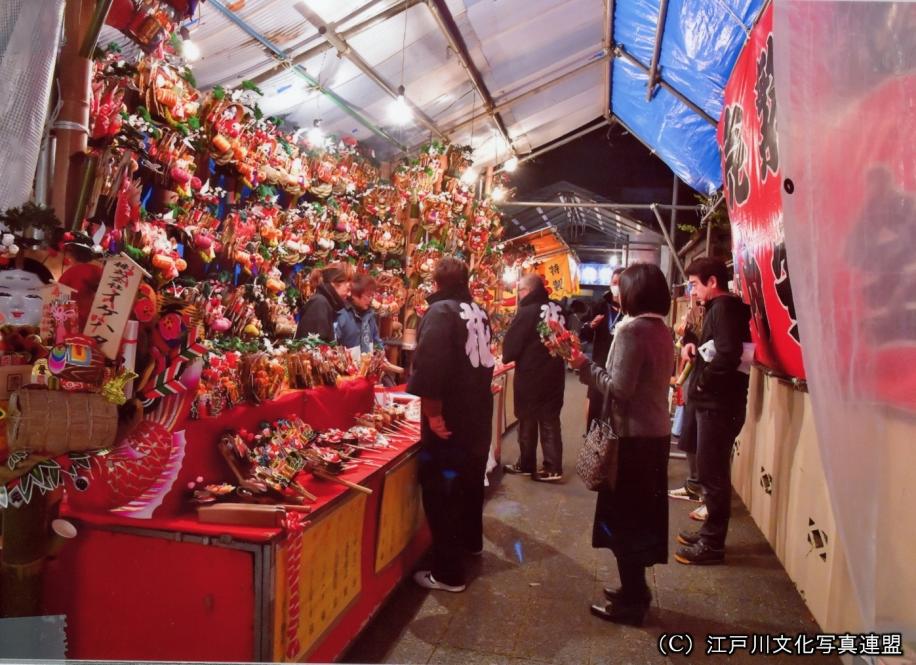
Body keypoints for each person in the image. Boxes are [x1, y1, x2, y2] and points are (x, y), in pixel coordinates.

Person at [568, 262, 673, 626]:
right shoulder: (662, 329)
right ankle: (635, 589)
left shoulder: (632, 330)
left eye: (620, 287)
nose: (615, 293)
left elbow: (619, 389)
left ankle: (631, 604)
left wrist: (584, 364)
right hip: (655, 435)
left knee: (626, 520)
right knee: (642, 518)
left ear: (634, 292)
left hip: (632, 440)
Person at [408, 257, 495, 593]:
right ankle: (472, 544)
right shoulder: (478, 310)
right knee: (471, 482)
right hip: (477, 413)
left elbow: (431, 365)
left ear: (436, 281)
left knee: (443, 491)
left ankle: (448, 573)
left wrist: (432, 413)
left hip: (452, 415)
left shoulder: (441, 312)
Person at [674, 257, 751, 565]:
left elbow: (729, 354)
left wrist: (703, 383)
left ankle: (712, 545)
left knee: (713, 473)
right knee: (711, 471)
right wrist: (695, 350)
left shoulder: (724, 308)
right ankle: (709, 534)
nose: (692, 291)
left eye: (694, 284)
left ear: (712, 282)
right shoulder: (721, 309)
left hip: (719, 405)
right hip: (718, 403)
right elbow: (718, 350)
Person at [501, 274, 566, 482]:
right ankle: (553, 466)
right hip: (555, 371)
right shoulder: (558, 308)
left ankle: (527, 463)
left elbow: (512, 346)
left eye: (519, 291)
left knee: (527, 417)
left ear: (526, 291)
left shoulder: (527, 311)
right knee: (550, 418)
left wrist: (507, 355)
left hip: (531, 374)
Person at [579, 267, 625, 431]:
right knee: (595, 410)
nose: (616, 287)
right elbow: (583, 334)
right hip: (600, 364)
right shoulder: (600, 305)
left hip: (622, 369)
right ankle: (592, 447)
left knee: (619, 415)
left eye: (620, 283)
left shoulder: (632, 310)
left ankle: (613, 452)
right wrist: (591, 326)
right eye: (614, 283)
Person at [296, 263, 352, 343]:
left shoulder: (326, 304)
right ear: (335, 283)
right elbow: (310, 350)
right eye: (348, 289)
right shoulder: (319, 304)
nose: (349, 294)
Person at [335, 274, 384, 358]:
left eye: (372, 296)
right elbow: (334, 346)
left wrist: (380, 351)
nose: (370, 299)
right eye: (368, 296)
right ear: (355, 295)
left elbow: (376, 341)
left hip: (368, 367)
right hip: (349, 369)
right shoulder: (342, 316)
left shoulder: (370, 315)